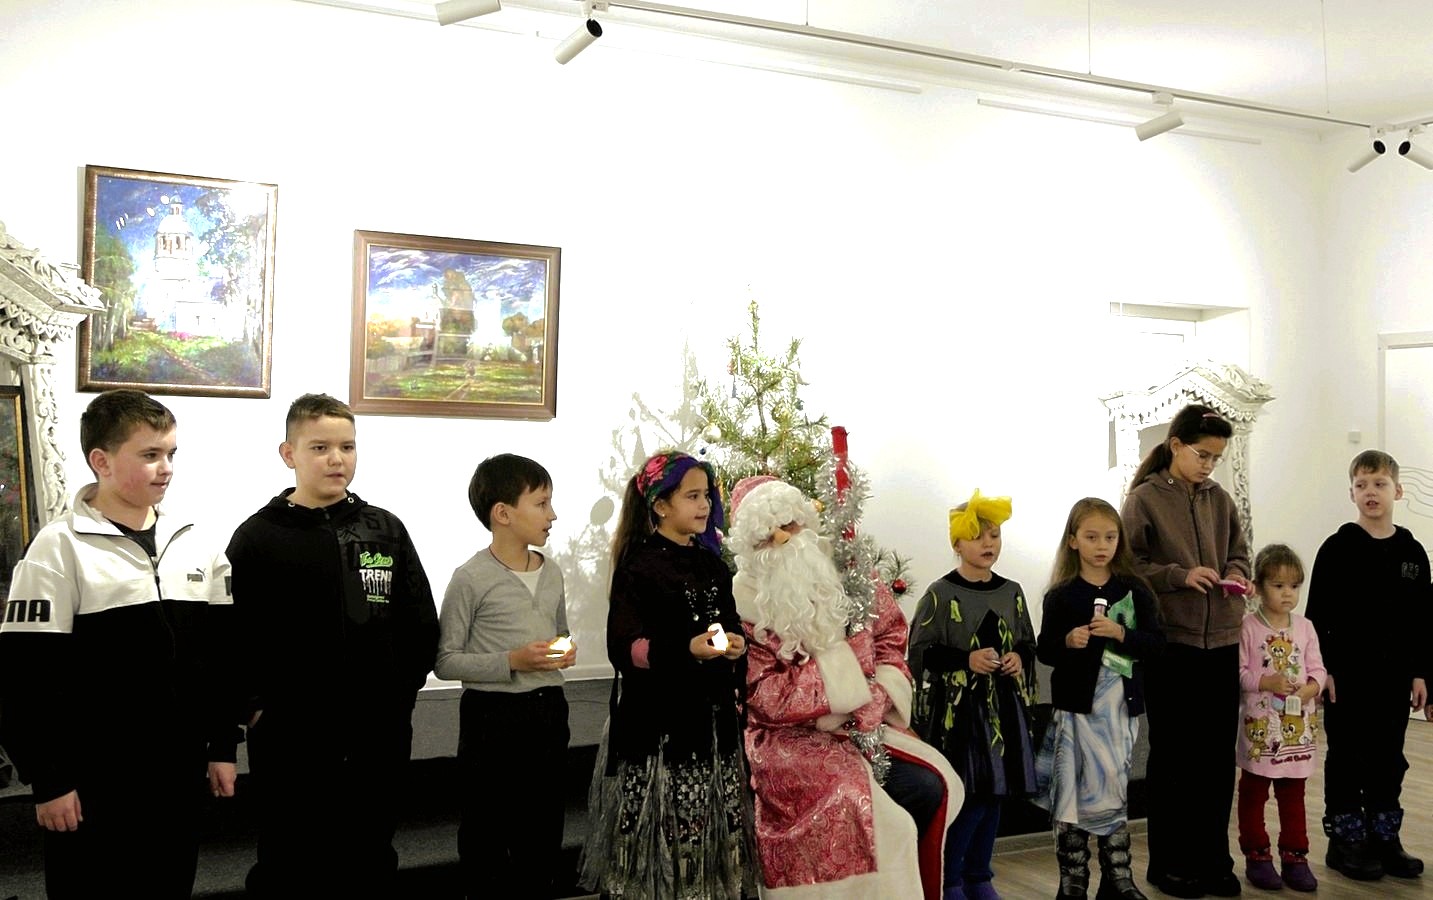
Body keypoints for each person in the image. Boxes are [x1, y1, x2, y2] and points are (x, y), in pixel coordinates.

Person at [0, 390, 235, 899]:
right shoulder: (58, 548)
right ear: (101, 462)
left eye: (171, 453)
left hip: (177, 777)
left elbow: (217, 661)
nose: (166, 468)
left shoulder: (197, 543)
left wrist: (221, 746)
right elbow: (25, 677)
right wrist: (49, 780)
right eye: (150, 455)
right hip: (92, 783)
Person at [226, 393, 438, 897]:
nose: (336, 459)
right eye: (319, 447)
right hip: (292, 737)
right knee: (291, 856)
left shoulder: (383, 529)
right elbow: (235, 635)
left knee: (370, 850)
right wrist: (255, 706)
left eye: (347, 446)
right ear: (289, 454)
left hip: (377, 731)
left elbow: (419, 621)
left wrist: (398, 695)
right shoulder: (257, 537)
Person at [728, 475, 962, 900]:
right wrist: (844, 682)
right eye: (769, 534)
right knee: (870, 811)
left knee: (933, 785)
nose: (785, 538)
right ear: (752, 549)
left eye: (791, 524)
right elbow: (766, 696)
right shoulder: (743, 606)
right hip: (789, 741)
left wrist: (879, 694)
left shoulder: (851, 577)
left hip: (864, 728)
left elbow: (891, 637)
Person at [578, 450, 759, 899]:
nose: (704, 505)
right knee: (663, 842)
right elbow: (625, 648)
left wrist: (735, 643)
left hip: (711, 726)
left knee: (708, 841)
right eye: (692, 496)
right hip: (659, 730)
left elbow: (728, 622)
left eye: (706, 496)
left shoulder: (712, 563)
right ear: (660, 505)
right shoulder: (639, 567)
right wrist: (685, 650)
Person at [1120, 403, 1249, 899]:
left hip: (1223, 644)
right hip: (1173, 646)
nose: (1209, 465)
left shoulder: (1220, 500)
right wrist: (1179, 576)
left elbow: (1239, 552)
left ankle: (1214, 860)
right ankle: (1169, 864)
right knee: (1175, 758)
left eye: (1217, 458)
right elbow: (1130, 567)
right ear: (1176, 446)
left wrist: (1235, 574)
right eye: (1202, 455)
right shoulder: (1144, 500)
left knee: (1216, 760)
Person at [434, 453, 577, 899]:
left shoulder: (552, 572)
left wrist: (564, 650)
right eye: (541, 503)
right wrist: (511, 661)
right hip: (493, 718)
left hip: (548, 712)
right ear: (503, 513)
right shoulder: (470, 578)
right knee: (487, 833)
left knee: (544, 831)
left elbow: (561, 632)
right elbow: (445, 660)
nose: (552, 515)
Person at [1305, 450, 1429, 882]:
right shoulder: (1337, 548)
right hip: (1347, 678)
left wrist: (1421, 672)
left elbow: (1422, 619)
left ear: (1398, 490)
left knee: (1389, 759)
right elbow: (1318, 614)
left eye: (1379, 484)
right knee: (1347, 757)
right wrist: (1323, 670)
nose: (1370, 492)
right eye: (1361, 485)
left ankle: (1384, 838)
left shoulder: (1413, 552)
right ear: (1351, 493)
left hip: (1394, 679)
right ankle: (1346, 842)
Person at [910, 490, 1038, 900]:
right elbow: (922, 651)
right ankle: (950, 879)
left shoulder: (1012, 591)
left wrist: (1018, 657)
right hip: (961, 718)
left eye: (994, 536)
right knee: (969, 797)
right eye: (978, 536)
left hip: (1003, 710)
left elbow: (1027, 641)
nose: (988, 544)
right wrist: (966, 660)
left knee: (996, 795)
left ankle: (979, 876)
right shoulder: (940, 593)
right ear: (957, 543)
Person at [1035, 497, 1163, 900]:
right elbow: (1045, 649)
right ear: (1073, 540)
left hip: (1118, 709)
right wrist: (1067, 641)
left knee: (1112, 785)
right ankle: (1073, 876)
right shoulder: (1061, 595)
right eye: (1091, 537)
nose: (1101, 546)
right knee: (1072, 788)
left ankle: (1117, 875)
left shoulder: (1134, 590)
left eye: (1109, 537)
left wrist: (1121, 633)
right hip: (1076, 710)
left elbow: (1157, 644)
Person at [1235, 543, 1324, 893]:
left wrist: (1310, 689)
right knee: (1253, 793)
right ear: (1258, 587)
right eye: (1278, 585)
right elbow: (1240, 673)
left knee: (1293, 794)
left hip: (1296, 734)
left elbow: (1318, 669)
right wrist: (1266, 682)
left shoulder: (1306, 627)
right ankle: (1257, 854)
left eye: (1294, 586)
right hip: (1260, 733)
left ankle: (1295, 856)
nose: (1288, 593)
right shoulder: (1248, 628)